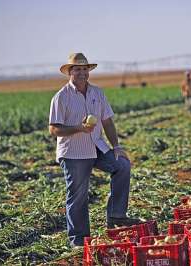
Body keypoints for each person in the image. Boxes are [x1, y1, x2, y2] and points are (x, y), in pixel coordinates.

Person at [49, 53, 141, 247]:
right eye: (77, 69)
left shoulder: (97, 93)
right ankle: (79, 240)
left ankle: (117, 215)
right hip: (73, 152)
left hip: (97, 146)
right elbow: (54, 129)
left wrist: (116, 146)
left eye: (84, 69)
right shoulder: (61, 97)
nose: (82, 72)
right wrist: (78, 128)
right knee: (78, 194)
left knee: (122, 165)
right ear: (70, 72)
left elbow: (107, 121)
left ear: (88, 71)